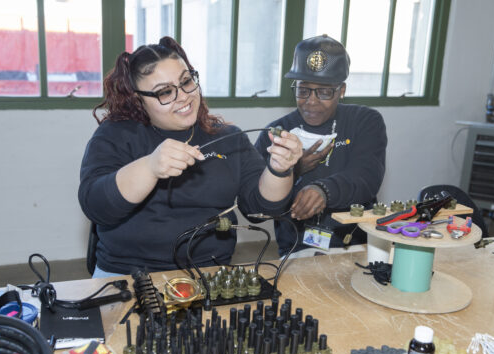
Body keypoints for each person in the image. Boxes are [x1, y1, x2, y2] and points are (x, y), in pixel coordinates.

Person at [79, 36, 302, 277]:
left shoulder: (228, 138)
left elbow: (261, 210)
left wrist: (280, 169)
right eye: (164, 92)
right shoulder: (116, 134)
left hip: (211, 274)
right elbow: (96, 205)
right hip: (128, 275)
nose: (184, 96)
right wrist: (150, 167)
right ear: (138, 100)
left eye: (186, 81)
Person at [255, 34, 387, 257]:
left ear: (341, 90)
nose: (311, 101)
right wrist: (292, 170)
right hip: (297, 247)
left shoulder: (364, 121)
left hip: (352, 244)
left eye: (324, 91)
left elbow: (367, 177)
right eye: (303, 90)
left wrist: (324, 190)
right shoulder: (276, 133)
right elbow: (256, 206)